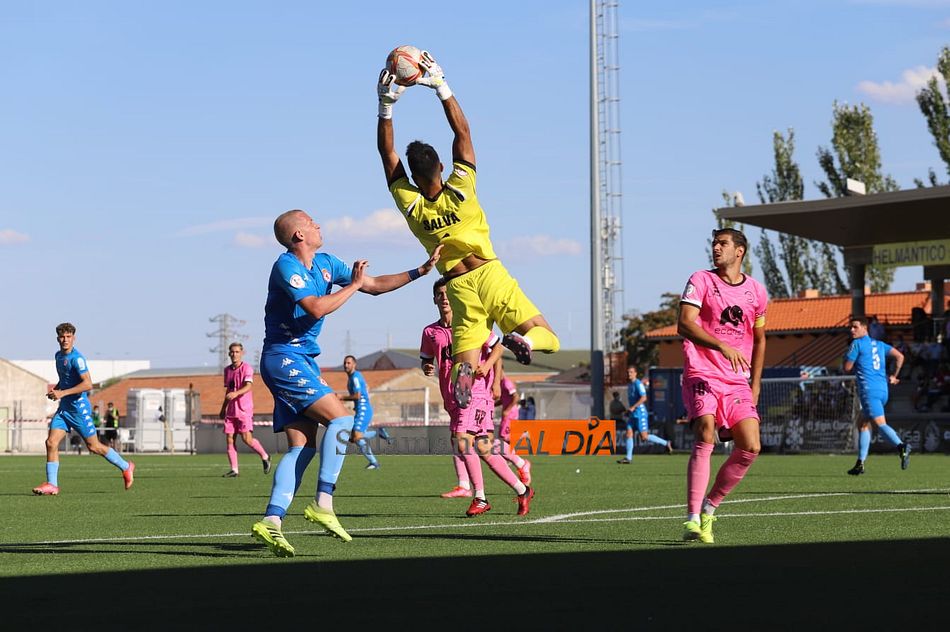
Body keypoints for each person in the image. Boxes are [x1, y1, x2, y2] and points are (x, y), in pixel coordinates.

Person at [250, 209, 441, 558]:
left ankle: (272, 522)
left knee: (302, 448)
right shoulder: (286, 266)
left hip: (299, 360)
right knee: (341, 420)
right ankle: (324, 501)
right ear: (298, 236)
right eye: (311, 222)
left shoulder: (326, 263)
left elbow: (374, 286)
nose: (318, 225)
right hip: (283, 359)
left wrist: (420, 271)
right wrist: (352, 285)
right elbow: (316, 308)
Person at [376, 51, 560, 411]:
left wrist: (386, 106)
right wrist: (440, 86)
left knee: (467, 358)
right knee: (548, 337)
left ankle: (465, 371)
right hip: (489, 274)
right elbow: (463, 131)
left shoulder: (410, 204)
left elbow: (387, 155)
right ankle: (523, 342)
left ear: (412, 178)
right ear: (442, 166)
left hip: (456, 286)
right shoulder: (461, 187)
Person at [676, 228, 767, 544]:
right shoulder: (701, 280)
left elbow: (760, 339)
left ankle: (709, 508)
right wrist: (721, 347)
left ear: (739, 251)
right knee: (705, 429)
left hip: (736, 381)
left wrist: (755, 383)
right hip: (702, 372)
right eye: (714, 243)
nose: (716, 248)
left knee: (751, 446)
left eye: (722, 243)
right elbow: (684, 323)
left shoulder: (757, 291)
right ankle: (690, 519)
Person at [32, 323, 135, 495]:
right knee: (51, 443)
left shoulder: (77, 359)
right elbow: (65, 380)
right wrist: (57, 391)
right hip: (65, 409)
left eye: (68, 337)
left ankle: (126, 466)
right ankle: (52, 485)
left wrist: (62, 393)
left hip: (79, 410)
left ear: (74, 338)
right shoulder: (58, 356)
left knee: (93, 447)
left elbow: (87, 384)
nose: (65, 340)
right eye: (62, 337)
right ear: (57, 338)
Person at [420, 278, 471, 498]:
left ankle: (469, 488)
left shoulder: (467, 324)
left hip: (469, 389)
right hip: (448, 391)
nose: (444, 298)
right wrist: (427, 366)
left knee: (462, 438)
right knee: (467, 438)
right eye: (439, 294)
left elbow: (492, 348)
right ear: (434, 300)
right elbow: (426, 359)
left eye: (447, 293)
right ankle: (518, 465)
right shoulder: (430, 332)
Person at [843, 317, 909, 475]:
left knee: (880, 424)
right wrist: (894, 375)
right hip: (883, 390)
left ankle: (902, 447)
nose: (852, 330)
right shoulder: (879, 344)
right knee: (862, 423)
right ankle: (860, 463)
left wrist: (849, 356)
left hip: (869, 390)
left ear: (864, 328)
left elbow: (847, 368)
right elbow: (900, 356)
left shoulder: (856, 344)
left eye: (855, 327)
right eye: (850, 328)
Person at [219, 342, 271, 477]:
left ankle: (265, 456)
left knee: (246, 439)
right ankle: (234, 470)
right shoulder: (227, 370)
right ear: (229, 353)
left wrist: (236, 394)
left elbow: (248, 386)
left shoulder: (247, 368)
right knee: (230, 438)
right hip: (231, 411)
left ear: (242, 353)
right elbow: (229, 391)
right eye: (232, 352)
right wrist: (223, 408)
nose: (234, 354)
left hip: (243, 409)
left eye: (237, 352)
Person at [339, 355, 392, 470]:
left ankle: (374, 462)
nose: (346, 365)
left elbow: (358, 396)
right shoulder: (352, 378)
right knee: (353, 438)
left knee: (357, 437)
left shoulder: (355, 377)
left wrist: (342, 397)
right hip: (361, 409)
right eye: (345, 363)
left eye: (348, 363)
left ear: (354, 364)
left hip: (364, 410)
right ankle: (378, 433)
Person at [617, 366, 672, 464]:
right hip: (633, 414)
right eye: (628, 372)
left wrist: (633, 407)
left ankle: (666, 443)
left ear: (635, 373)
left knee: (644, 437)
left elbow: (644, 397)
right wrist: (628, 410)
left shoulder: (638, 384)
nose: (629, 374)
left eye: (631, 372)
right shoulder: (630, 385)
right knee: (629, 433)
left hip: (640, 414)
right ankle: (628, 458)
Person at [494, 363, 531, 484]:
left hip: (511, 414)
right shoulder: (501, 383)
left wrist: (508, 409)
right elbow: (505, 398)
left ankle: (523, 434)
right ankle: (512, 459)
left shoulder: (506, 382)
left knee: (503, 437)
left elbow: (516, 397)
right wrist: (495, 405)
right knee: (505, 440)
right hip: (508, 413)